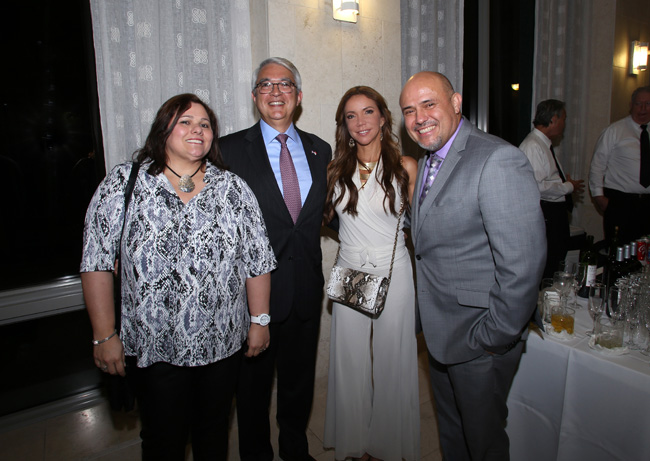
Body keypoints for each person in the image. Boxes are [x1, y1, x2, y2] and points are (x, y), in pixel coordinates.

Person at [80, 93, 277, 460]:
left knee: (213, 437)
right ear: (164, 129)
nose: (196, 129)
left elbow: (257, 261)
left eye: (204, 124)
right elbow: (96, 263)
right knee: (162, 441)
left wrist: (260, 320)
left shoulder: (232, 188)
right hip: (155, 348)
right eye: (185, 121)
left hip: (221, 343)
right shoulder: (125, 183)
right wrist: (104, 335)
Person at [399, 71, 546, 460]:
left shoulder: (497, 158)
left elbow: (523, 265)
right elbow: (430, 235)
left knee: (484, 445)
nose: (419, 118)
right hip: (441, 334)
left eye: (429, 104)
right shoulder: (427, 162)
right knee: (454, 436)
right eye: (409, 110)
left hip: (480, 339)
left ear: (457, 103)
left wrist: (493, 337)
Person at [219, 57, 332, 461]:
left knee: (298, 385)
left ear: (298, 97)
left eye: (284, 84)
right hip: (254, 299)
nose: (275, 92)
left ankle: (295, 449)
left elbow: (319, 216)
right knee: (251, 389)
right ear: (255, 98)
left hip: (305, 291)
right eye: (265, 85)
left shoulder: (321, 149)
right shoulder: (228, 149)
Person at [322, 86, 419, 460]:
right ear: (344, 125)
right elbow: (326, 219)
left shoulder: (405, 167)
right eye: (350, 115)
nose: (359, 122)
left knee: (393, 359)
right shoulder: (336, 169)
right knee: (348, 361)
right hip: (349, 271)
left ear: (382, 118)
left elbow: (419, 225)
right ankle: (353, 443)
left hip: (393, 271)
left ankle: (387, 447)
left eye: (367, 112)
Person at [519, 99, 584, 278]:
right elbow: (536, 186)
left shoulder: (543, 144)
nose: (564, 123)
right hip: (547, 212)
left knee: (556, 261)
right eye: (563, 118)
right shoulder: (532, 146)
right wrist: (568, 187)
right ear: (554, 119)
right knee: (550, 265)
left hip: (554, 212)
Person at [589, 86, 650, 245]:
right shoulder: (615, 130)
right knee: (618, 251)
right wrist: (599, 197)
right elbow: (597, 164)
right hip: (621, 203)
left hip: (647, 204)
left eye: (647, 104)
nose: (643, 109)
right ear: (631, 105)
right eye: (638, 104)